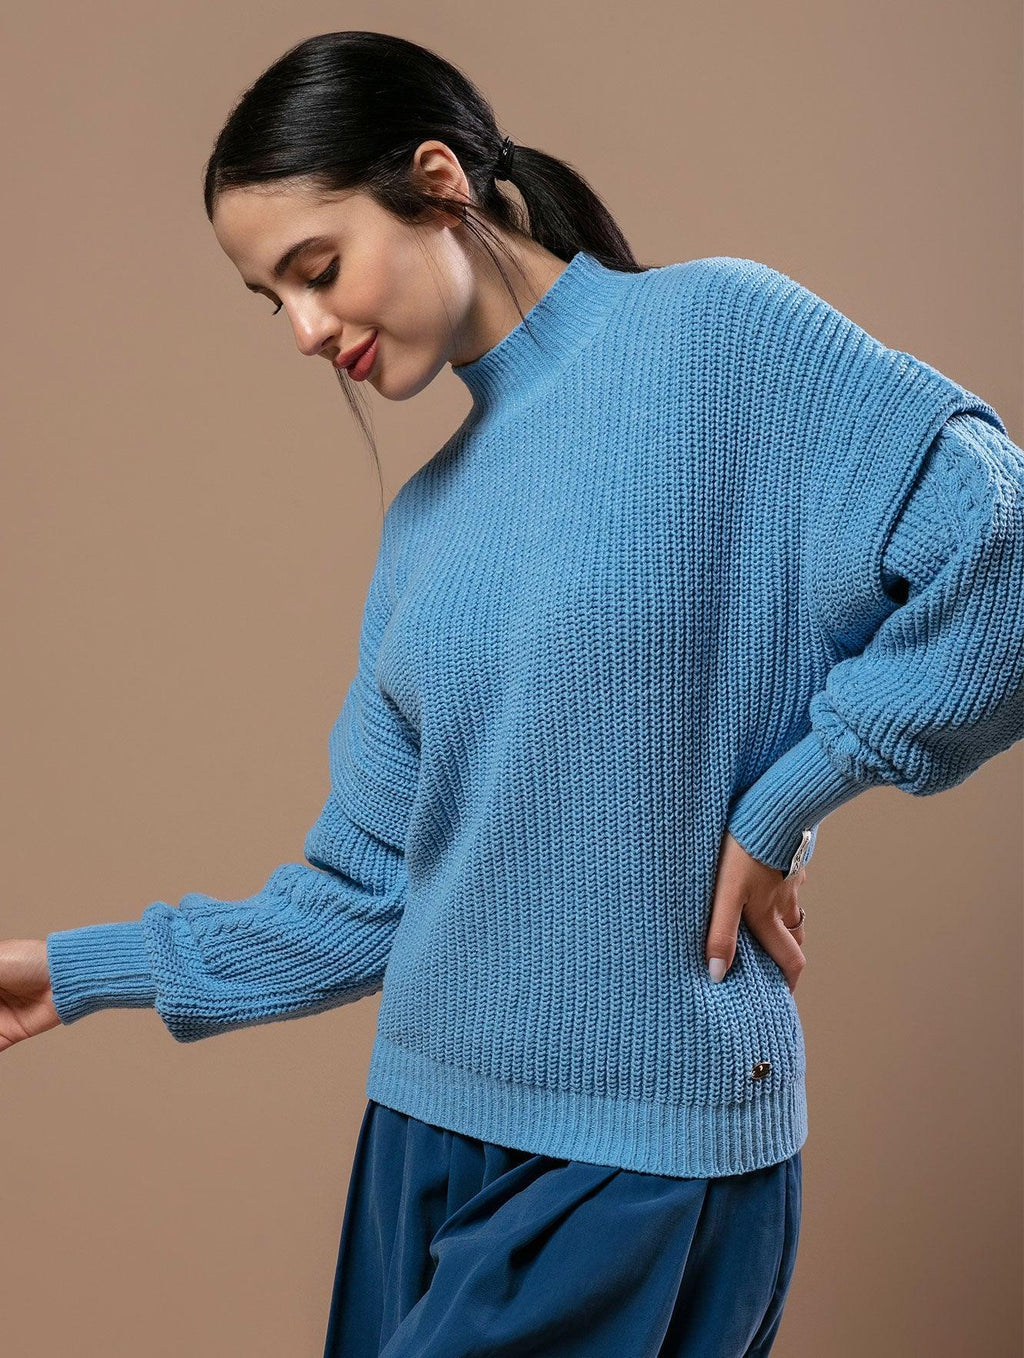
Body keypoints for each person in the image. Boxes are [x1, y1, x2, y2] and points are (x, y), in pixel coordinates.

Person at [2, 28, 1022, 1358]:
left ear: (439, 181)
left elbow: (1000, 550)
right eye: (272, 301)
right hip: (423, 1138)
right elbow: (365, 895)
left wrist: (789, 798)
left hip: (642, 1153)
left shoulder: (719, 338)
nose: (304, 331)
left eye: (317, 270)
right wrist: (72, 973)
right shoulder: (422, 527)